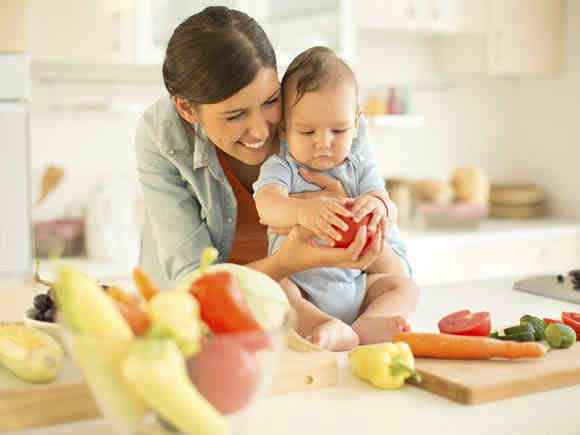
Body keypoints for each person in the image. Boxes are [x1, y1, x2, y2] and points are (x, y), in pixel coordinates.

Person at [134, 6, 404, 334]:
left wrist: (355, 217)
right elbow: (193, 287)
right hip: (209, 327)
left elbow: (397, 267)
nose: (260, 131)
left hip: (314, 322)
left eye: (270, 101)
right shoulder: (163, 136)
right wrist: (287, 262)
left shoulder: (323, 113)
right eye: (234, 116)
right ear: (188, 108)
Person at [253, 47, 419, 351]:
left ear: (356, 122)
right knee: (276, 291)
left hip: (355, 283)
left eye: (338, 130)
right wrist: (301, 211)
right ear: (285, 130)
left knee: (403, 287)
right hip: (300, 286)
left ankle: (369, 322)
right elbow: (267, 205)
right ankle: (321, 325)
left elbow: (389, 209)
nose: (323, 143)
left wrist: (380, 206)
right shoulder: (283, 167)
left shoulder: (360, 168)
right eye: (307, 131)